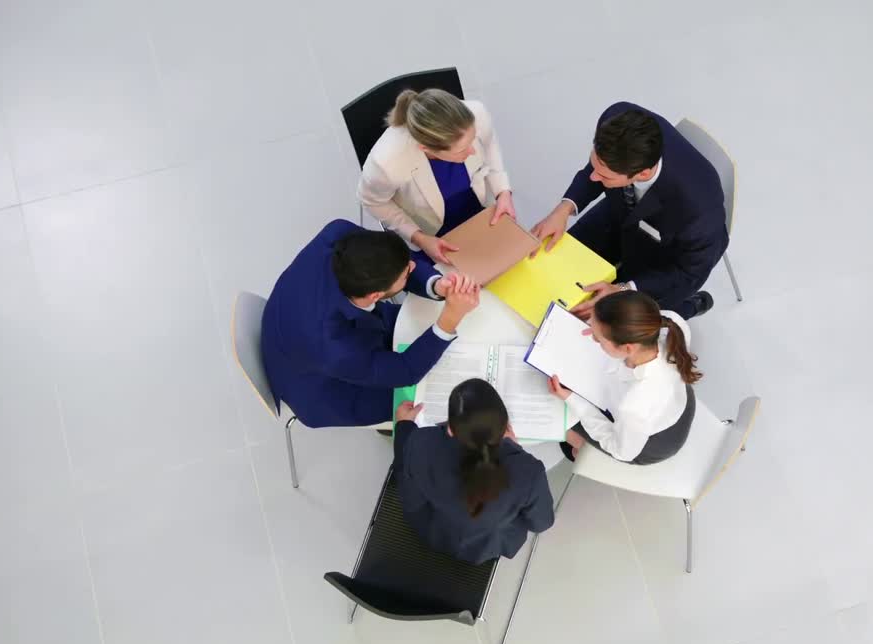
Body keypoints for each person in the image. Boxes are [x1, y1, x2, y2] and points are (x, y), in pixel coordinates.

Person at [261, 219, 480, 428]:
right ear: (375, 295)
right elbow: (406, 372)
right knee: (433, 398)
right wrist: (448, 320)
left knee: (415, 328)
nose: (413, 266)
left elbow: (392, 263)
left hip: (300, 319)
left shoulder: (339, 236)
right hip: (320, 388)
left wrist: (436, 284)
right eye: (408, 274)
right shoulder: (335, 350)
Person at [529, 101, 728, 320]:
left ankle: (686, 308)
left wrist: (623, 289)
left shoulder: (699, 213)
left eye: (604, 177)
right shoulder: (616, 119)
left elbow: (688, 274)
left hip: (668, 256)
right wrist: (563, 210)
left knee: (615, 321)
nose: (594, 177)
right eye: (595, 166)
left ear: (642, 174)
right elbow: (596, 171)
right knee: (555, 264)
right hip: (621, 213)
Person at [393, 379, 554, 564]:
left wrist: (404, 425)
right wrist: (516, 451)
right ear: (505, 428)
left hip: (434, 532)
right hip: (488, 546)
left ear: (451, 430)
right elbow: (541, 523)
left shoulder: (420, 442)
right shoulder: (528, 472)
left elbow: (404, 474)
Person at [359, 88, 515, 265]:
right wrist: (420, 238)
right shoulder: (386, 162)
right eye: (462, 149)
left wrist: (503, 193)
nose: (472, 151)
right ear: (426, 149)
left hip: (478, 212)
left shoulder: (476, 113)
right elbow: (373, 202)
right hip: (428, 231)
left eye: (472, 140)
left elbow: (489, 146)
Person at [546, 290, 700, 464]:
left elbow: (621, 451)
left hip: (650, 444)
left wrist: (570, 398)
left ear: (627, 348)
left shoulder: (633, 406)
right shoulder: (669, 323)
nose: (593, 338)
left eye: (598, 338)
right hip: (678, 401)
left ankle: (577, 447)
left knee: (559, 410)